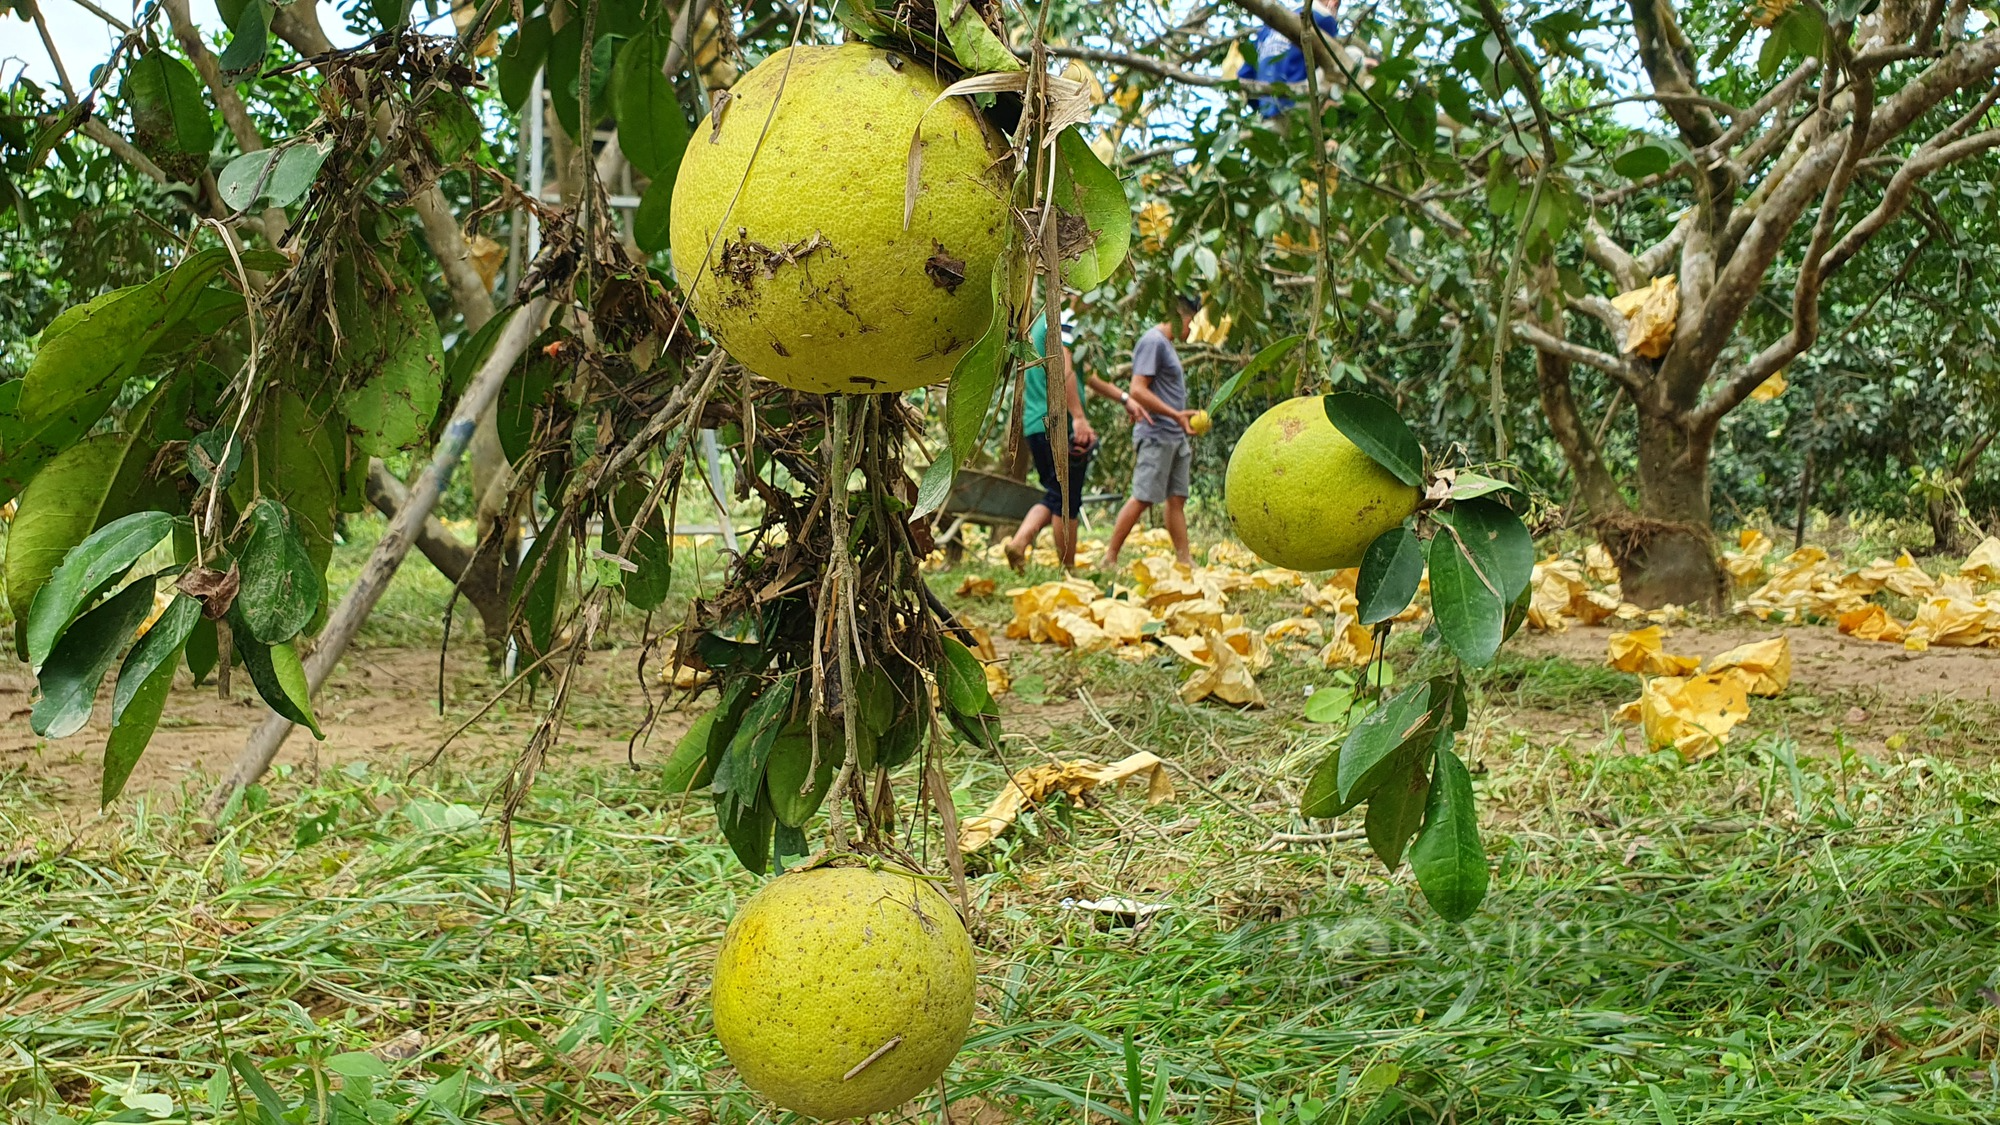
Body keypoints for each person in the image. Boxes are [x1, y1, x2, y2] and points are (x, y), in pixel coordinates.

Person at [1004, 310, 1144, 571]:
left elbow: (1084, 372)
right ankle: (1068, 570)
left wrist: (1125, 399)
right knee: (1067, 501)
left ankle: (1019, 542)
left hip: (1036, 422)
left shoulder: (1041, 321)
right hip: (1058, 422)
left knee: (1056, 494)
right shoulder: (1063, 313)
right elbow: (1064, 366)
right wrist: (1078, 417)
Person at [1101, 294, 1202, 572]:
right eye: (1191, 322)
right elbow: (1137, 390)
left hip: (1174, 435)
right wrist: (1175, 415)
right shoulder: (1153, 342)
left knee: (1177, 498)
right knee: (1143, 496)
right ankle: (1109, 557)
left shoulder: (1167, 345)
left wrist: (1179, 419)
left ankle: (1185, 559)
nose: (1191, 329)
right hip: (1157, 433)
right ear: (1181, 316)